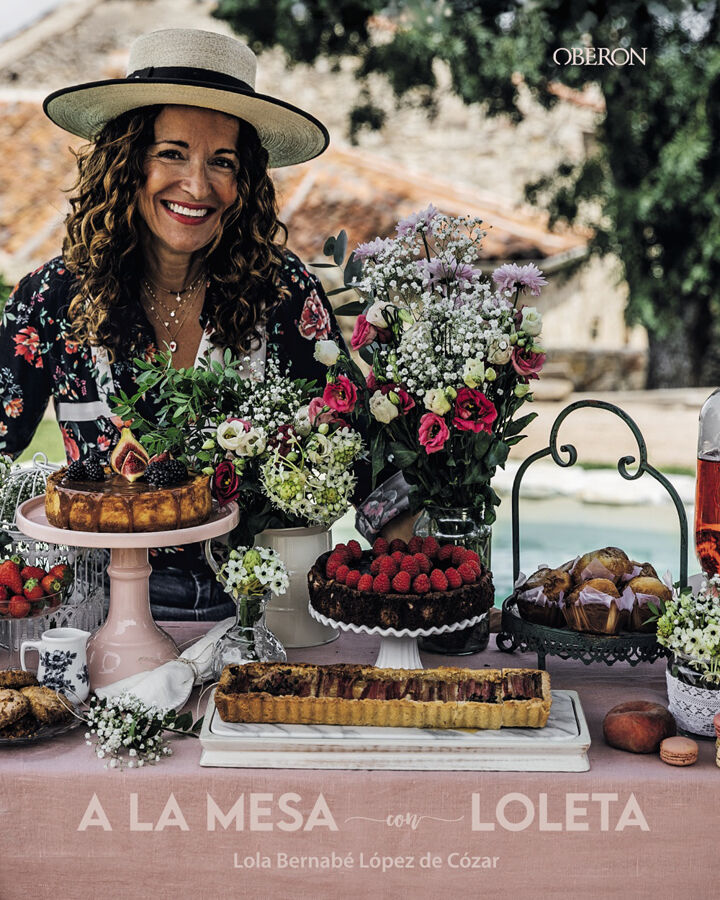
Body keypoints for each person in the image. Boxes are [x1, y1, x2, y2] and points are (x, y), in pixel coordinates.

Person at [0, 28, 388, 620]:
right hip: (96, 614)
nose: (198, 185)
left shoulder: (282, 292)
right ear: (127, 161)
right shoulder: (53, 297)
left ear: (246, 182)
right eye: (172, 152)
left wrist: (428, 578)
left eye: (222, 162)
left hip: (261, 614)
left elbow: (362, 457)